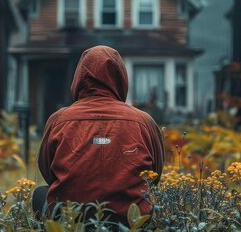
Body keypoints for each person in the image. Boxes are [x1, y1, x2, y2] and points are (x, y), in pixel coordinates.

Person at [35, 45, 164, 225]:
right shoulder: (143, 121)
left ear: (79, 77)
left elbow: (47, 170)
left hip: (72, 221)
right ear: (121, 78)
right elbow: (155, 175)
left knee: (39, 194)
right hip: (130, 222)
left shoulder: (59, 120)